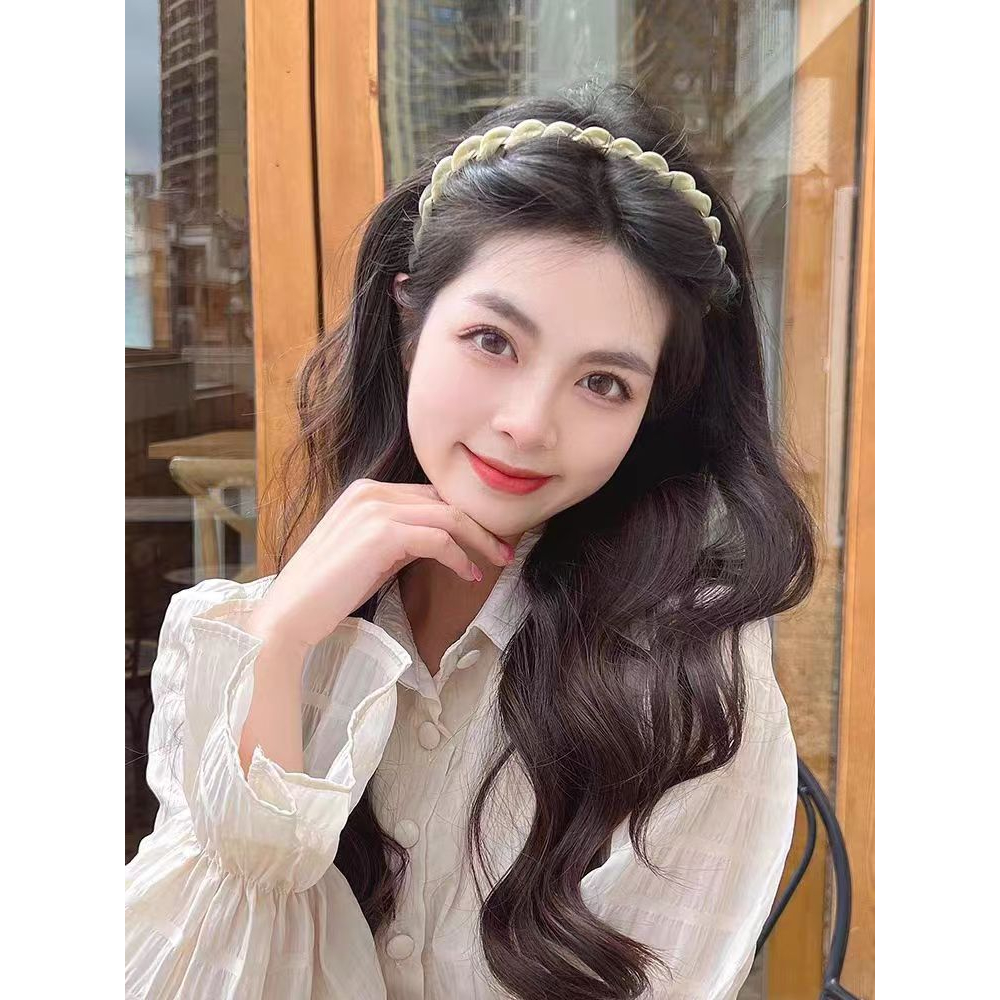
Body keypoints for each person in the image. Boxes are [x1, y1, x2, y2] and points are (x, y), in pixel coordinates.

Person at [125, 80, 816, 1000]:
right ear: (410, 325)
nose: (528, 423)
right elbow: (193, 964)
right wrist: (281, 643)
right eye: (493, 340)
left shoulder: (690, 674)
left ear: (651, 412)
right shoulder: (265, 630)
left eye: (603, 383)